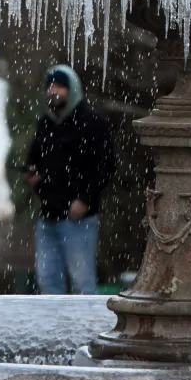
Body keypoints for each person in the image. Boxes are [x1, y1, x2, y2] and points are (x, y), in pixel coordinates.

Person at [24, 64, 116, 295]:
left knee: (83, 283)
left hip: (79, 220)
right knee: (47, 281)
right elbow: (34, 160)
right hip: (48, 217)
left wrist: (84, 199)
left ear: (71, 89)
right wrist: (34, 177)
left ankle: (87, 330)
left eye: (58, 86)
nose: (52, 91)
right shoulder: (46, 124)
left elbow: (106, 167)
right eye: (49, 86)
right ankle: (54, 330)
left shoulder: (92, 123)